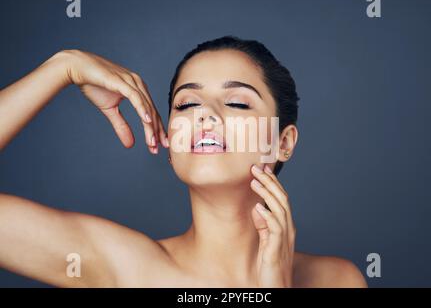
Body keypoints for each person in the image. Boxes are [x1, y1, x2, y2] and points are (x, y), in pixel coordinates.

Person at [0, 36, 367, 287]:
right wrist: (64, 67)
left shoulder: (337, 279)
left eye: (237, 102)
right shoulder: (124, 267)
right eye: (187, 104)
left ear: (283, 142)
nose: (205, 114)